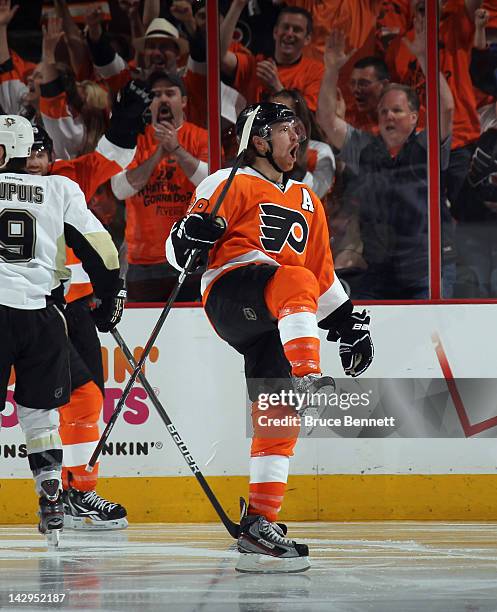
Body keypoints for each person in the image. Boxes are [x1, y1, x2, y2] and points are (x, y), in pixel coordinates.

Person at [165, 102, 374, 572]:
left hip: (281, 314)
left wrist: (344, 324)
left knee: (279, 417)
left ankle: (260, 524)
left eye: (299, 131)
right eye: (286, 131)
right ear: (259, 141)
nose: (296, 139)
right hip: (231, 292)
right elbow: (178, 252)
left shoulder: (307, 199)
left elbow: (323, 278)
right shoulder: (227, 182)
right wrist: (187, 239)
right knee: (293, 280)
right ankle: (308, 373)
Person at [23, 80, 151, 529]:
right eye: (28, 153)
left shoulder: (64, 181)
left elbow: (108, 159)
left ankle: (80, 491)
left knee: (89, 399)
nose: (35, 162)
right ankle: (76, 491)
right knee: (78, 397)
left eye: (42, 152)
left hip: (75, 309)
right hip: (32, 311)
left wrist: (130, 117)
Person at [0, 115, 125, 543]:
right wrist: (112, 297)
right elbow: (104, 252)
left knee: (83, 398)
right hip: (42, 315)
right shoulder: (60, 189)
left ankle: (76, 493)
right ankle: (52, 496)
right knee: (40, 416)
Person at [318, 19, 456, 299]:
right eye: (383, 112)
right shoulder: (366, 147)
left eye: (397, 111)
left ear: (415, 118)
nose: (388, 116)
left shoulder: (426, 146)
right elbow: (326, 121)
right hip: (378, 271)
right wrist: (332, 70)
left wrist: (425, 60)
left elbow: (447, 109)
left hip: (424, 272)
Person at [111, 70, 208, 301]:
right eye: (156, 95)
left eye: (170, 93)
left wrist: (176, 149)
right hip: (142, 261)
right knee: (144, 332)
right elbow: (120, 189)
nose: (163, 99)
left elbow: (210, 182)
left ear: (183, 101)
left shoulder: (201, 138)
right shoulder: (133, 140)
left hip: (190, 254)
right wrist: (157, 154)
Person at [220, 3, 324, 112]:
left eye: (297, 30)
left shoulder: (315, 72)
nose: (289, 33)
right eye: (285, 27)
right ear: (275, 32)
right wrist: (237, 6)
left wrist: (277, 88)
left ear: (307, 38)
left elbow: (308, 118)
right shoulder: (256, 65)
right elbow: (220, 56)